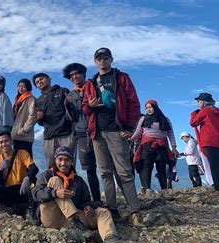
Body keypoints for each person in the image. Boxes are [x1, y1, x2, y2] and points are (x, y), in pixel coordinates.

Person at [32, 146, 141, 243]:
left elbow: (86, 201)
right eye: (60, 159)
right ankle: (74, 221)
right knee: (55, 181)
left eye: (67, 160)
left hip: (73, 223)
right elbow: (36, 194)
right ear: (55, 160)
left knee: (102, 212)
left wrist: (88, 207)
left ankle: (111, 240)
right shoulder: (47, 175)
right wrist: (54, 193)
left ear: (71, 162)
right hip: (52, 217)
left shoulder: (78, 181)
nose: (63, 163)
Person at [82, 47, 142, 225]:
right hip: (97, 132)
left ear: (111, 59)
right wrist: (91, 105)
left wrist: (130, 127)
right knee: (105, 172)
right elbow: (84, 108)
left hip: (117, 130)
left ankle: (135, 210)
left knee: (124, 172)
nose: (102, 61)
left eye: (105, 58)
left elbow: (133, 102)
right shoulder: (90, 83)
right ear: (95, 62)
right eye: (99, 58)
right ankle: (112, 208)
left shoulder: (122, 78)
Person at [63, 63, 101, 202]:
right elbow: (70, 117)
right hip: (80, 132)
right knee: (89, 168)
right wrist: (67, 104)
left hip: (97, 130)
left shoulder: (93, 87)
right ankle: (96, 199)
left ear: (83, 74)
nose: (74, 77)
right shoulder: (71, 94)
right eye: (71, 75)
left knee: (106, 166)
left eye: (77, 73)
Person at [130, 100, 179, 191]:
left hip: (162, 146)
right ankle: (147, 188)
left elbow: (170, 134)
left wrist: (174, 147)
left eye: (150, 107)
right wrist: (130, 139)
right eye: (146, 108)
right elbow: (138, 132)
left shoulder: (165, 120)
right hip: (147, 146)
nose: (148, 109)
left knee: (161, 168)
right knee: (147, 168)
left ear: (155, 107)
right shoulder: (143, 119)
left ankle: (164, 189)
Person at [34, 72, 75, 167]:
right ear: (36, 87)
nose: (39, 82)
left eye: (41, 79)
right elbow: (41, 123)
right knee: (51, 166)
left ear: (49, 79)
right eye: (37, 82)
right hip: (49, 136)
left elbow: (73, 111)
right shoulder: (39, 100)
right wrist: (39, 118)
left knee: (68, 165)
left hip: (66, 134)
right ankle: (53, 182)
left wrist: (70, 103)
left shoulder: (62, 91)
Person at [190, 92, 219, 196]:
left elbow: (193, 123)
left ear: (203, 102)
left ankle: (218, 188)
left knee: (214, 166)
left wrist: (194, 114)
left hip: (209, 141)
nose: (197, 103)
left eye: (198, 101)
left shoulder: (205, 111)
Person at [11, 78, 37, 158]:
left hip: (24, 135)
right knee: (17, 160)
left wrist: (24, 130)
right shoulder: (17, 100)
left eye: (23, 86)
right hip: (16, 135)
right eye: (19, 86)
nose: (21, 88)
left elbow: (32, 116)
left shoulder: (30, 99)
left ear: (28, 88)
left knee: (26, 159)